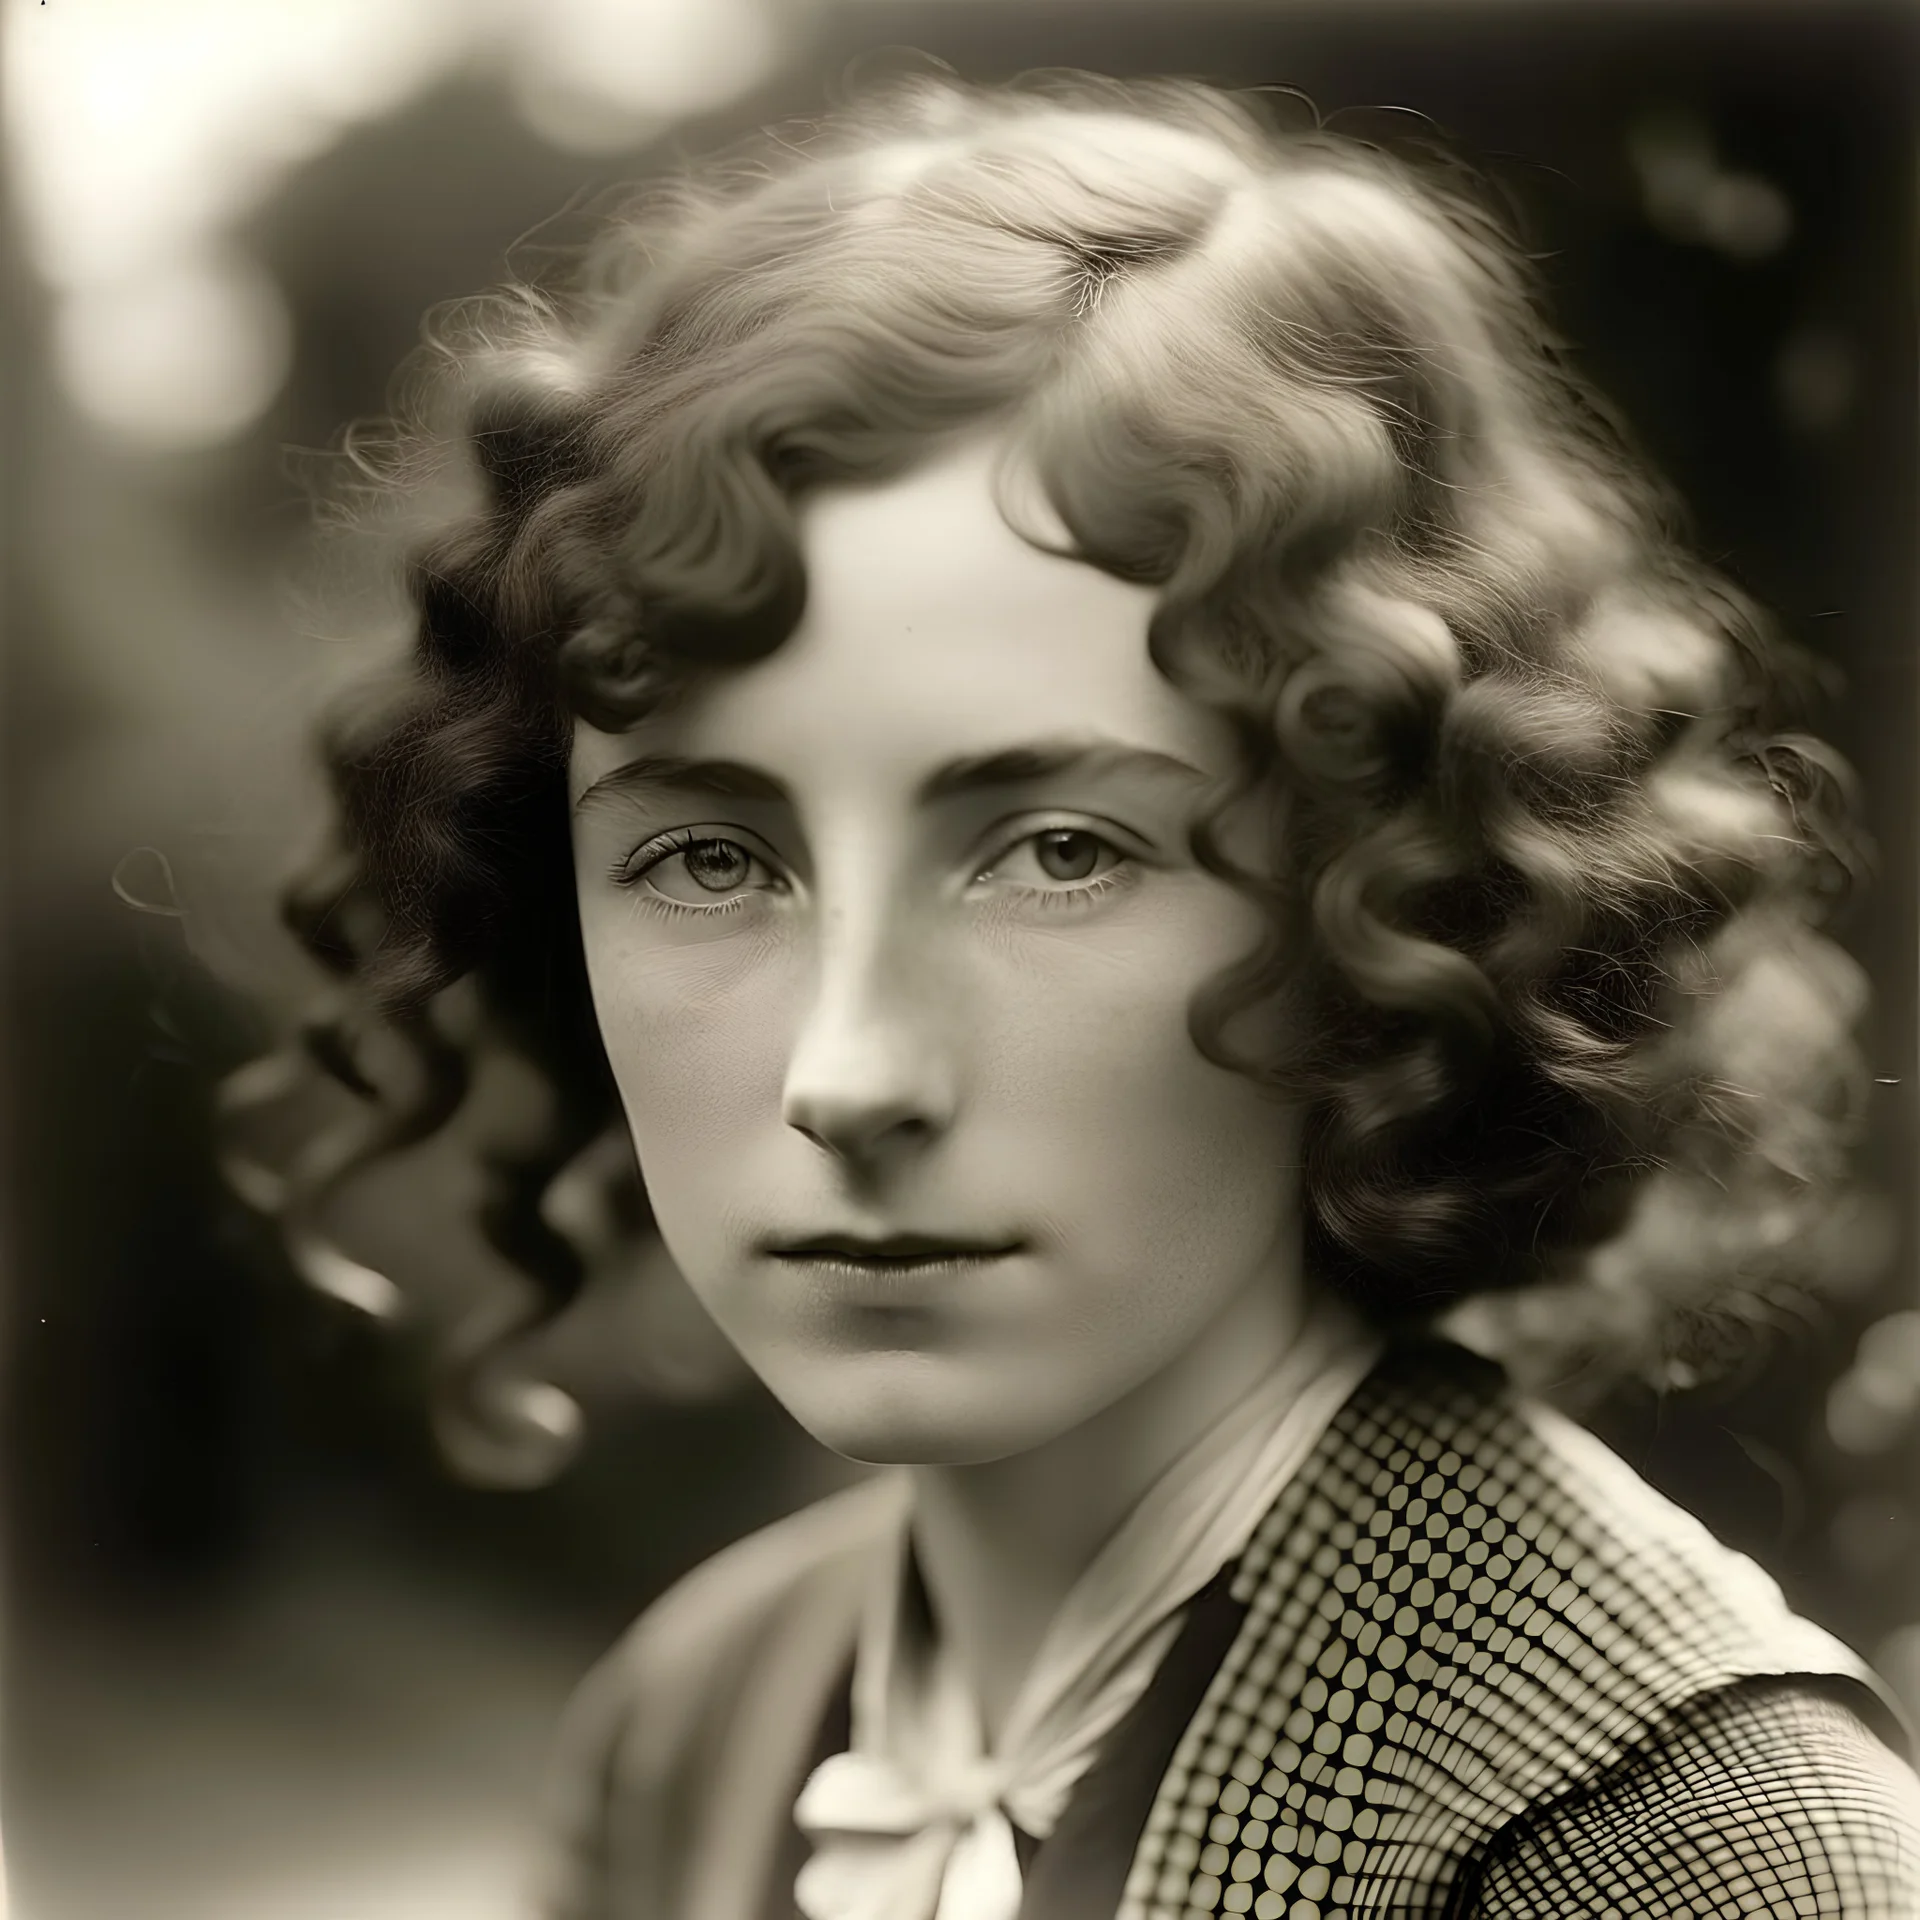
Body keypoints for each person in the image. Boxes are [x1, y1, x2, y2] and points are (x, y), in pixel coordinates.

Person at [262, 69, 1920, 1919]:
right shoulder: (697, 1723)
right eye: (711, 860)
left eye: (1058, 849)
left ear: (1387, 893)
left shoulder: (1691, 1854)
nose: (850, 1072)